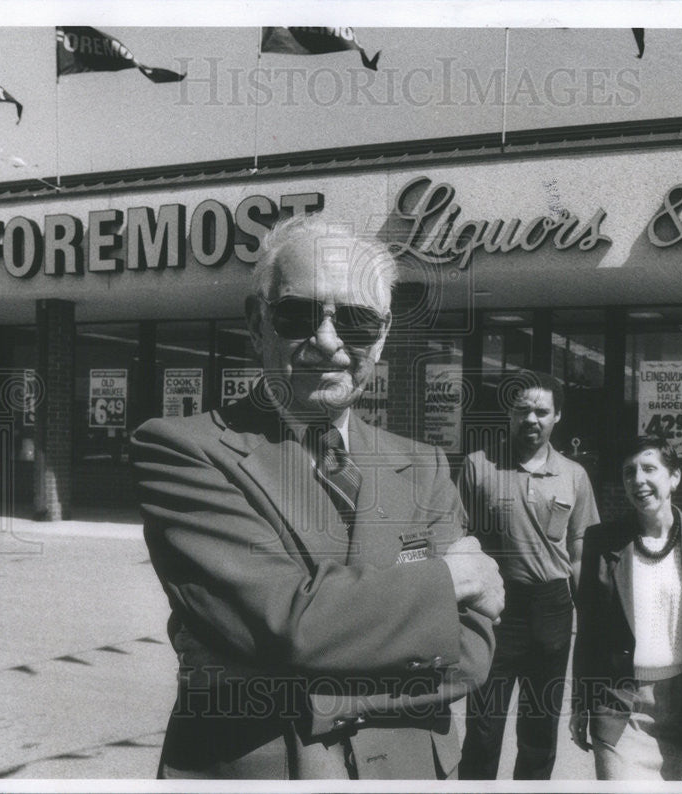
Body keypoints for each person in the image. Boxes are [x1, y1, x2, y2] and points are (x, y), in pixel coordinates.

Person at [131, 215, 503, 780]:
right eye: (299, 315)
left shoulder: (423, 466)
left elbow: (472, 653)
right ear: (258, 324)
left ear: (380, 335)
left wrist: (292, 682)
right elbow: (285, 624)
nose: (328, 341)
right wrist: (447, 583)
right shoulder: (183, 450)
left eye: (356, 321)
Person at [570, 434, 682, 780]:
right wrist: (580, 704)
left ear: (674, 477)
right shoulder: (601, 542)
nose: (638, 480)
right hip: (621, 708)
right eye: (629, 472)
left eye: (649, 468)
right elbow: (588, 635)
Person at [459, 370, 600, 779]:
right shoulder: (478, 466)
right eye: (523, 410)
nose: (532, 420)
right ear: (509, 413)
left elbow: (579, 549)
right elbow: (461, 540)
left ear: (558, 416)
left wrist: (587, 614)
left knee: (539, 731)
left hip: (552, 609)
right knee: (483, 730)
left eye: (542, 411)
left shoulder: (574, 475)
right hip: (495, 609)